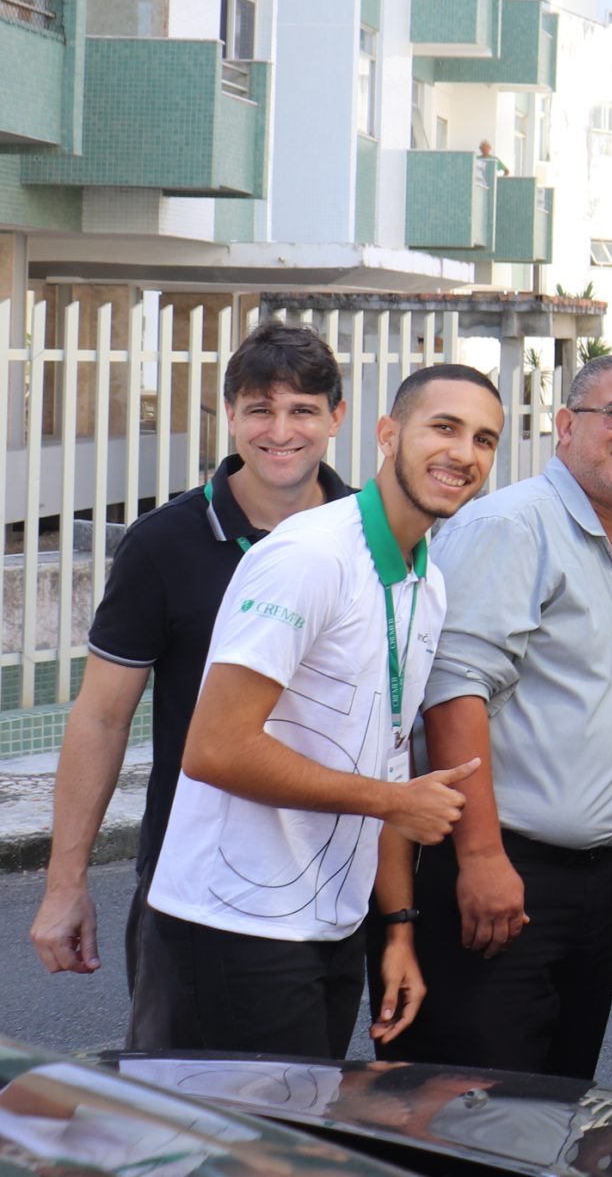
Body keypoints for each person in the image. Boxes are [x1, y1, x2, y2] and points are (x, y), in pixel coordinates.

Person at [141, 363, 503, 1059]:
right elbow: (215, 747)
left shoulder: (426, 580)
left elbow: (387, 754)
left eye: (484, 439)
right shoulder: (310, 555)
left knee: (305, 1122)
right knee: (240, 1133)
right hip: (234, 924)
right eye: (445, 427)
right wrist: (394, 801)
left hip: (330, 926)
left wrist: (397, 927)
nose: (464, 453)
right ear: (388, 434)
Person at [30, 323, 353, 1044]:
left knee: (312, 1105)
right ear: (230, 415)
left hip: (334, 887)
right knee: (187, 1105)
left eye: (302, 410)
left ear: (336, 416)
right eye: (259, 410)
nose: (280, 432)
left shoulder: (368, 537)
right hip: (197, 892)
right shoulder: (163, 542)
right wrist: (64, 883)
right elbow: (102, 718)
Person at [387, 354, 612, 1079]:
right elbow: (454, 693)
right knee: (473, 1104)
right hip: (502, 865)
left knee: (557, 1104)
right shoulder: (514, 526)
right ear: (566, 424)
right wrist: (482, 858)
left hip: (591, 882)